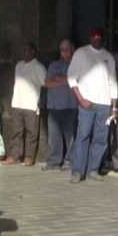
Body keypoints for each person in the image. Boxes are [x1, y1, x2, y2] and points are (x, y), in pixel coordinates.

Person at [67, 26, 118, 184]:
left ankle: (93, 170)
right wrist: (81, 100)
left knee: (101, 138)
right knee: (83, 136)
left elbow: (113, 83)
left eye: (100, 36)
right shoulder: (81, 53)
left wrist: (114, 107)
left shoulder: (108, 57)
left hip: (104, 104)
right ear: (90, 37)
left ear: (103, 39)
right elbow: (71, 78)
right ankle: (78, 171)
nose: (97, 39)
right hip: (87, 102)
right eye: (94, 36)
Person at [4, 42, 47, 166]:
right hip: (17, 103)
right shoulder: (19, 65)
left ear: (33, 51)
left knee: (31, 133)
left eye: (26, 50)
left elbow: (45, 84)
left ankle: (29, 157)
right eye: (22, 50)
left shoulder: (39, 67)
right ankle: (14, 156)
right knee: (16, 132)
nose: (23, 52)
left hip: (30, 104)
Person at [42, 40, 77, 171]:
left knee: (70, 137)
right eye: (62, 49)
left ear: (72, 50)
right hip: (54, 106)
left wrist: (59, 79)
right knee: (54, 136)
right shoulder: (54, 65)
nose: (64, 52)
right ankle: (54, 161)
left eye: (67, 49)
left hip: (69, 106)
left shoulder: (76, 65)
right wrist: (64, 81)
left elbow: (75, 81)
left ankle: (70, 161)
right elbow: (46, 83)